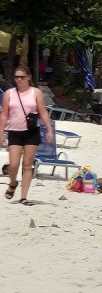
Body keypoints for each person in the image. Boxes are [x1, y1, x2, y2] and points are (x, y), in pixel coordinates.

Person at [4, 66, 52, 205]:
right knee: (13, 164)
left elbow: (42, 112)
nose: (19, 80)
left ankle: (23, 197)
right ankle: (13, 183)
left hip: (31, 132)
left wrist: (49, 129)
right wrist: (1, 132)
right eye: (16, 77)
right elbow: (4, 114)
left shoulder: (36, 92)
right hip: (14, 132)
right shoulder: (9, 93)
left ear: (29, 77)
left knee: (27, 164)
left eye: (22, 77)